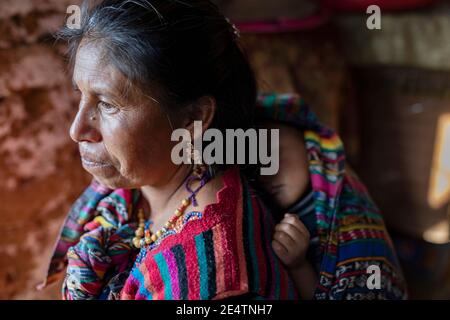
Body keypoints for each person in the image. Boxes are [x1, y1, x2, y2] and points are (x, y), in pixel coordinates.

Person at [39, 0, 298, 300]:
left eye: (107, 104)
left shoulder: (209, 278)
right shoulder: (145, 181)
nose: (77, 130)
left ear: (193, 119)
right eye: (81, 95)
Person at [255, 93, 408, 299]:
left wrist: (298, 266)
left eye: (273, 155)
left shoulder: (349, 207)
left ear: (311, 146)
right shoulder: (267, 212)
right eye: (253, 167)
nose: (266, 174)